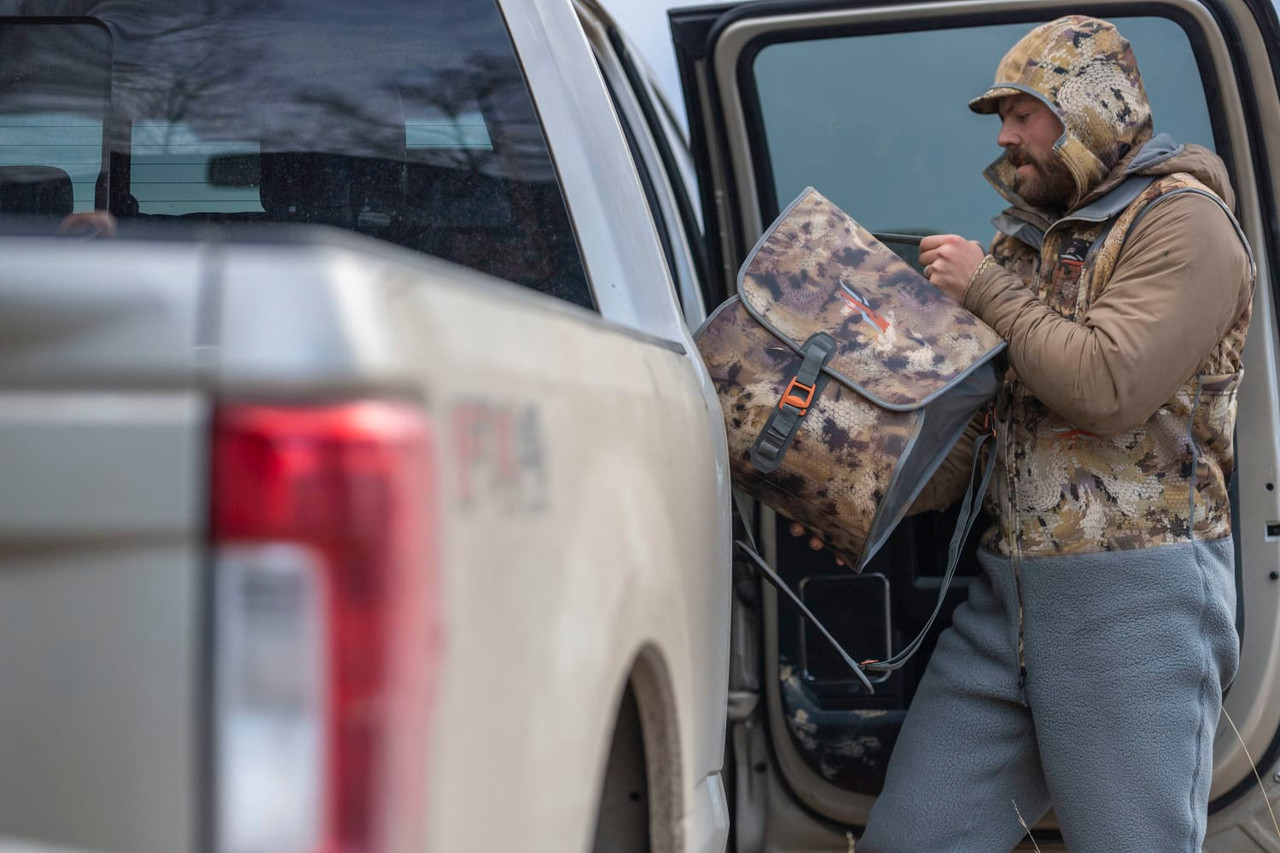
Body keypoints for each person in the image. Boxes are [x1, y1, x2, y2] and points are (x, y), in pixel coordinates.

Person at [848, 15, 1255, 852]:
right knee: (911, 837)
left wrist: (986, 288)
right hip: (1010, 600)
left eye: (1022, 112)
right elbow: (988, 424)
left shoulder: (1185, 224)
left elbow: (1107, 386)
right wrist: (842, 483)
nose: (1004, 135)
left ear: (1089, 109)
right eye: (1002, 115)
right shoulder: (1029, 240)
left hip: (1137, 602)